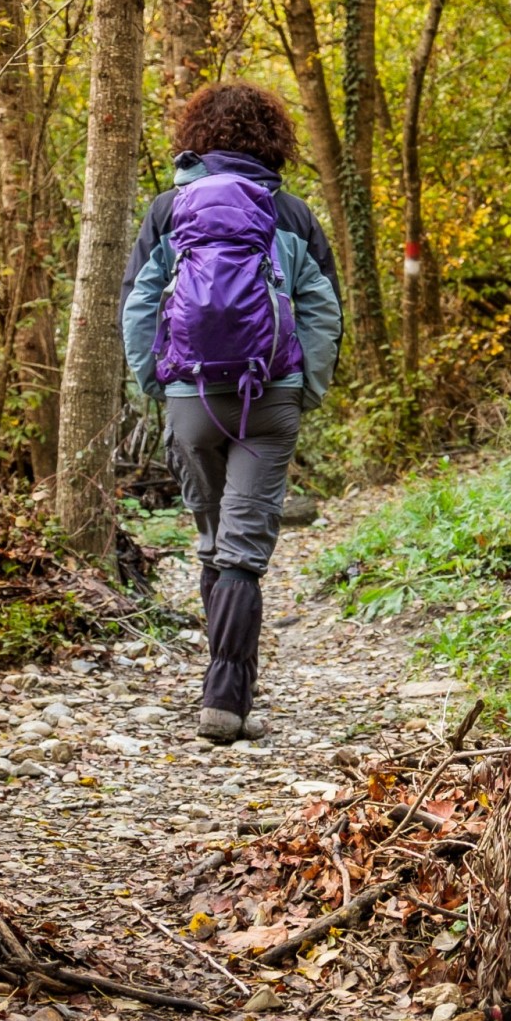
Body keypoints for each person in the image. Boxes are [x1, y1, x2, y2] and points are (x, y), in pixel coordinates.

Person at [121, 83, 341, 743]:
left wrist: (155, 384)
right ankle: (225, 700)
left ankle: (223, 688)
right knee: (244, 551)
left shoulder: (168, 210)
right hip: (270, 395)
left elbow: (139, 303)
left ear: (194, 138)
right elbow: (321, 308)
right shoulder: (292, 214)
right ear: (274, 143)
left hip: (190, 399)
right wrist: (308, 387)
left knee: (215, 542)